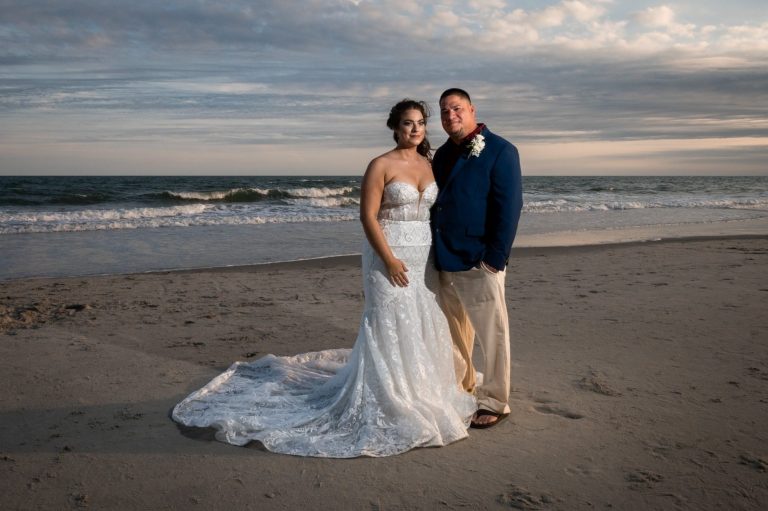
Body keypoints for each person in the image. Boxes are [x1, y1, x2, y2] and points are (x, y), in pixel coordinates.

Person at [172, 99, 476, 457]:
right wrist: (389, 259)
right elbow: (368, 218)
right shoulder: (380, 164)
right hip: (387, 255)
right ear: (395, 128)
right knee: (387, 320)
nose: (415, 129)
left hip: (423, 254)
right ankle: (388, 398)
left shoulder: (430, 163)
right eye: (408, 123)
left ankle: (419, 389)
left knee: (421, 319)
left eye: (421, 123)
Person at [430, 88, 523, 429]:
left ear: (471, 110)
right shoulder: (441, 155)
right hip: (444, 258)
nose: (449, 115)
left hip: (479, 260)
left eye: (456, 108)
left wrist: (494, 259)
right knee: (454, 335)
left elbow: (509, 207)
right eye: (443, 111)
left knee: (492, 334)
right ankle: (463, 390)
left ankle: (496, 400)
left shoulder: (501, 150)